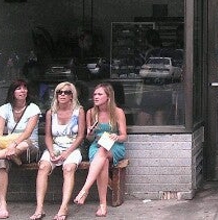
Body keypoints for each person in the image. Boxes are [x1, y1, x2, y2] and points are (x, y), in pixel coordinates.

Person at [30, 82, 86, 220]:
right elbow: (48, 136)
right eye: (59, 92)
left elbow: (80, 136)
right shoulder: (51, 112)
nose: (62, 94)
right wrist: (51, 151)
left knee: (68, 168)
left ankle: (63, 207)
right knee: (43, 166)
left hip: (73, 147)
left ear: (72, 95)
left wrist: (66, 153)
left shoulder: (78, 111)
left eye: (66, 92)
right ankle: (39, 208)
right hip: (55, 146)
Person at [74, 83, 127, 217]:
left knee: (103, 151)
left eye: (99, 94)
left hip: (115, 146)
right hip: (97, 146)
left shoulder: (117, 112)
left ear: (108, 97)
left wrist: (116, 136)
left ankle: (85, 190)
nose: (96, 97)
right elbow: (89, 139)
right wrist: (90, 133)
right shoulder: (91, 112)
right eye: (95, 94)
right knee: (102, 159)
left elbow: (124, 136)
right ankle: (102, 205)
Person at [0, 79, 41, 219]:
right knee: (1, 163)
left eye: (24, 88)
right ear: (12, 92)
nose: (22, 90)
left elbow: (27, 134)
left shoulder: (33, 108)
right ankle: (2, 204)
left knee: (24, 144)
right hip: (9, 151)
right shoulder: (4, 108)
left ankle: (6, 154)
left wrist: (14, 144)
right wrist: (8, 145)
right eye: (18, 88)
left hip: (29, 148)